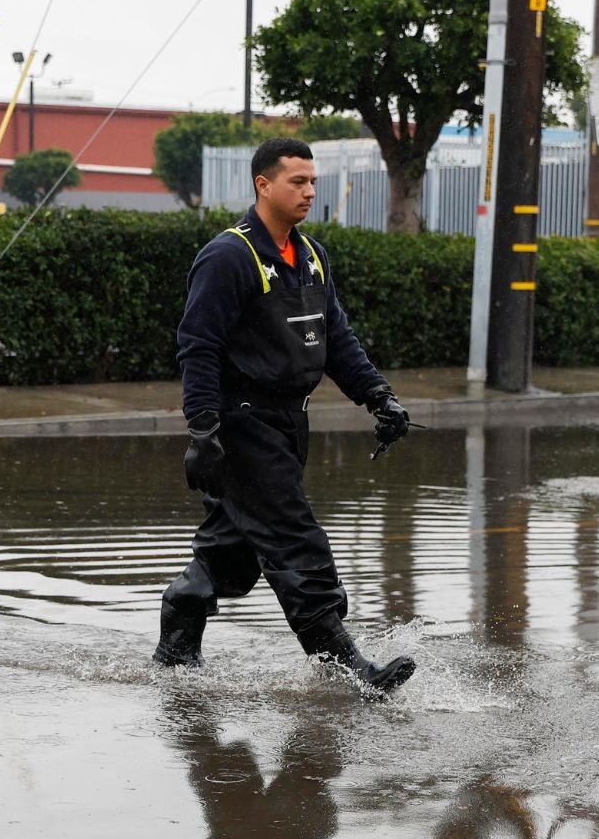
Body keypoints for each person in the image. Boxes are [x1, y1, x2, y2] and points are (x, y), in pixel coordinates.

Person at [154, 137, 415, 694]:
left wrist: (378, 396)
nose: (309, 191)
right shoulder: (228, 256)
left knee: (231, 549)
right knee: (297, 540)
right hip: (241, 425)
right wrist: (202, 429)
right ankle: (354, 671)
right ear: (262, 185)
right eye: (297, 181)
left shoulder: (313, 255)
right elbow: (197, 346)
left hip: (289, 425)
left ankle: (175, 654)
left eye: (312, 181)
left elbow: (336, 339)